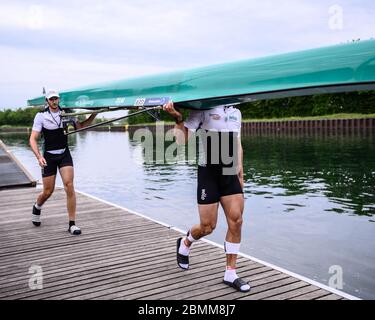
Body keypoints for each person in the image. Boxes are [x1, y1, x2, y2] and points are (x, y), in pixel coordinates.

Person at [163, 101, 250, 292]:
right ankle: (186, 242)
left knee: (236, 221)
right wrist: (177, 118)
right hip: (208, 173)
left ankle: (230, 273)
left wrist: (241, 172)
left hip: (230, 172)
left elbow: (237, 141)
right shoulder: (203, 109)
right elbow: (180, 140)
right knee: (207, 226)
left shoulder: (236, 111)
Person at [29, 89, 97, 235]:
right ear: (47, 101)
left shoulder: (67, 113)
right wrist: (38, 156)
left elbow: (81, 127)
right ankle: (37, 206)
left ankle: (72, 224)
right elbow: (32, 139)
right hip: (48, 156)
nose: (54, 101)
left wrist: (95, 114)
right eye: (51, 99)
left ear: (59, 100)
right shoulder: (41, 116)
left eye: (56, 99)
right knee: (48, 191)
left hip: (64, 154)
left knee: (69, 185)